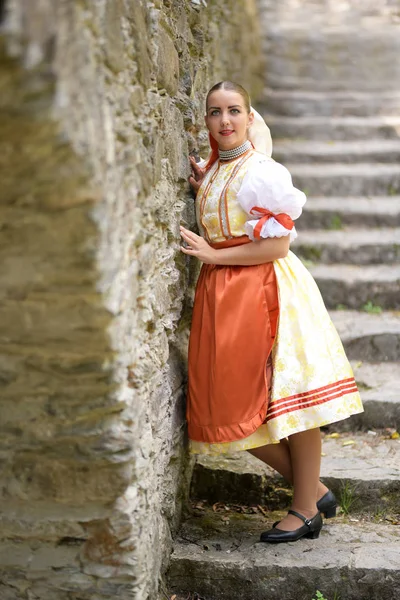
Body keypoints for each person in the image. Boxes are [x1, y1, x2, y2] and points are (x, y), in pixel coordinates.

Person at [180, 80, 363, 544]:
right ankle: (313, 489)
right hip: (226, 295)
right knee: (227, 403)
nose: (225, 121)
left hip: (267, 289)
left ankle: (305, 510)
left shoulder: (262, 171)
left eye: (234, 111)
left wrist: (214, 255)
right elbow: (232, 204)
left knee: (289, 395)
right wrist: (208, 186)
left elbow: (277, 244)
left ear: (248, 115)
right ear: (206, 119)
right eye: (215, 112)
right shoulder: (220, 169)